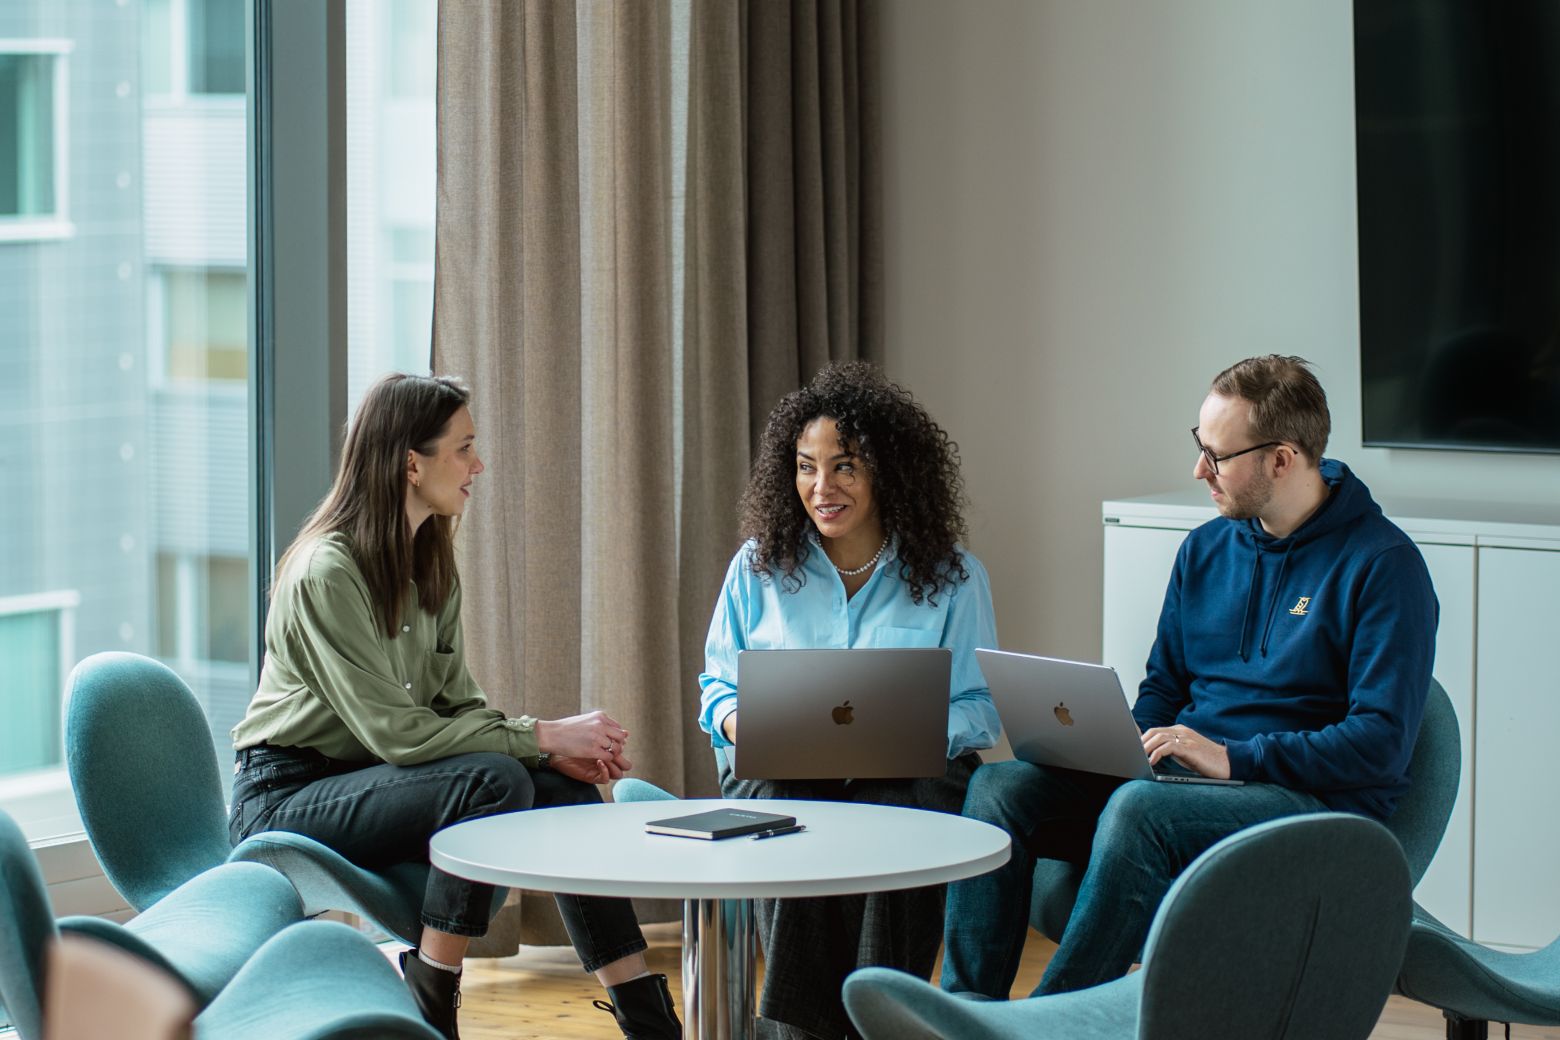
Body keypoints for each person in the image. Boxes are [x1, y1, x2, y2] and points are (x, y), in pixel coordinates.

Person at [939, 354, 1439, 999]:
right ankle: (964, 1010)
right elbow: (1163, 690)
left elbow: (1380, 743)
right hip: (1183, 784)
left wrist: (1234, 757)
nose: (1198, 469)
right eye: (1199, 446)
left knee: (1140, 808)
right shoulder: (1204, 549)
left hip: (1307, 805)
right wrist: (1117, 744)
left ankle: (1054, 1021)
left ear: (1282, 458)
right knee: (998, 789)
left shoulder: (1384, 566)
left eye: (1218, 455)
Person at [229, 373, 681, 1040]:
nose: (479, 464)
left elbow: (458, 708)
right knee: (494, 777)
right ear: (413, 464)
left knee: (553, 785)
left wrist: (549, 752)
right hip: (287, 797)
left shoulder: (428, 560)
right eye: (464, 448)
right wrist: (545, 733)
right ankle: (431, 1005)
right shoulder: (327, 572)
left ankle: (646, 1016)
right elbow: (402, 736)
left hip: (372, 784)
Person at [698, 360, 1001, 1039]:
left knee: (901, 810)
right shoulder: (757, 567)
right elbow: (714, 688)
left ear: (888, 470)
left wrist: (916, 730)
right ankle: (808, 1031)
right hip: (776, 767)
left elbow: (981, 709)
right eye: (806, 467)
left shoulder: (953, 576)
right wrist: (744, 720)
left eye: (844, 466)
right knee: (792, 807)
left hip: (908, 771)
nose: (821, 487)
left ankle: (878, 1020)